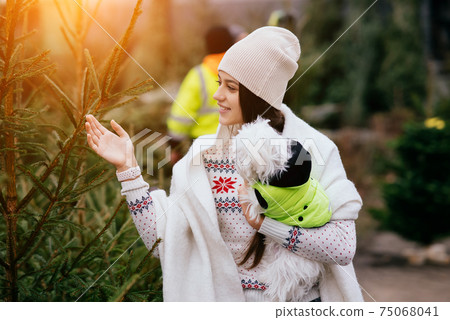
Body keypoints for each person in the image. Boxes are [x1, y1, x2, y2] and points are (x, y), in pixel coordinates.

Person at [85, 26, 363, 302]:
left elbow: (341, 247)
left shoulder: (314, 150)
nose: (218, 95)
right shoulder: (203, 157)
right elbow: (164, 243)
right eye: (220, 83)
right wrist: (128, 169)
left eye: (231, 87)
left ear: (259, 96)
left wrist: (265, 224)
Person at [167, 25, 234, 164]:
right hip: (237, 144)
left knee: (204, 184)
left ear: (207, 46)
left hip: (202, 146)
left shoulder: (198, 76)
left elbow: (181, 116)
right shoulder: (242, 74)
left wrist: (175, 147)